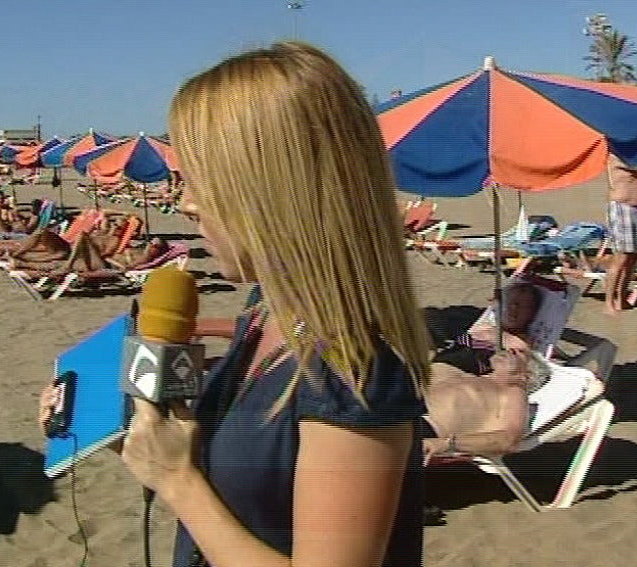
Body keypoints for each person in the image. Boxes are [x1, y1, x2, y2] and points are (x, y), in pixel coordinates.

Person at [39, 41, 432, 567]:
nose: (186, 201)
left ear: (269, 191)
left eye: (202, 180)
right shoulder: (264, 310)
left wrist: (177, 482)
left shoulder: (354, 377)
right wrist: (128, 435)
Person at [422, 282, 546, 462]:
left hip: (421, 431)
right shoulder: (478, 330)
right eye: (510, 302)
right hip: (396, 413)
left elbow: (509, 439)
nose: (513, 308)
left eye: (522, 305)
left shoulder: (513, 389)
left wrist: (445, 444)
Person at [603, 153, 637, 314]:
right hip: (621, 208)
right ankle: (608, 302)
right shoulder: (616, 154)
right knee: (621, 256)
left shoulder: (636, 157)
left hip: (636, 210)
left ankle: (621, 298)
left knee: (632, 258)